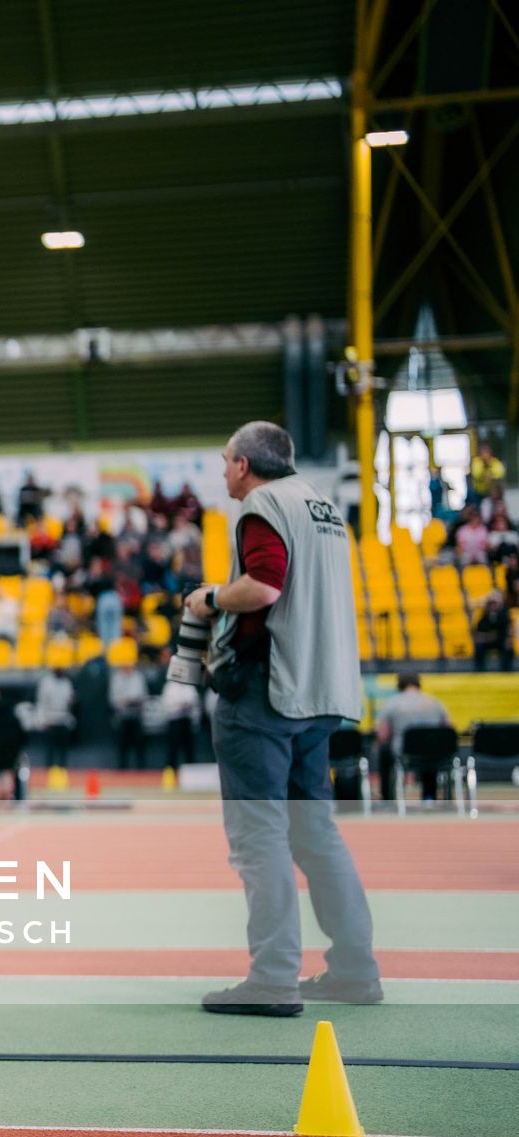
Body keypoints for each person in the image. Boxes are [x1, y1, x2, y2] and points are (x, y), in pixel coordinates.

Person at [184, 421, 380, 1015]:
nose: (223, 473)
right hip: (323, 692)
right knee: (315, 833)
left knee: (258, 836)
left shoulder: (263, 503)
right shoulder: (322, 504)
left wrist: (210, 597)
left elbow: (265, 587)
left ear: (244, 464)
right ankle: (354, 969)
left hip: (269, 692)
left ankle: (272, 977)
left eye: (225, 462)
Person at [373, 672, 451, 802]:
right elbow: (448, 729)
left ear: (399, 686)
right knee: (430, 751)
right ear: (418, 685)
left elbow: (383, 736)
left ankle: (387, 799)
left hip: (404, 754)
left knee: (383, 752)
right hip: (434, 754)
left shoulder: (391, 704)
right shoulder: (435, 702)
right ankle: (429, 797)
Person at [31, 665, 75, 767]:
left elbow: (69, 700)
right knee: (50, 751)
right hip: (50, 720)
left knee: (63, 751)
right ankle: (48, 773)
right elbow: (41, 702)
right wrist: (42, 720)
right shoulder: (46, 683)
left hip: (63, 719)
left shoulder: (66, 682)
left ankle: (63, 773)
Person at [109, 661, 148, 770]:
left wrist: (135, 701)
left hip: (136, 715)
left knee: (139, 746)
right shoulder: (116, 678)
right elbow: (112, 699)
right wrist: (124, 702)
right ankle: (122, 771)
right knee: (122, 747)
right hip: (123, 716)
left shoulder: (138, 677)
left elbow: (144, 695)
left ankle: (141, 771)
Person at [473, 591, 514, 672]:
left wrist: (508, 640)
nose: (492, 605)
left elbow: (507, 629)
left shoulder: (504, 615)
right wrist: (488, 636)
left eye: (494, 603)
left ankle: (506, 669)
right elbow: (479, 630)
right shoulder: (484, 615)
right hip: (489, 641)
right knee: (478, 646)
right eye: (491, 603)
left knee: (508, 648)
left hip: (500, 640)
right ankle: (480, 668)